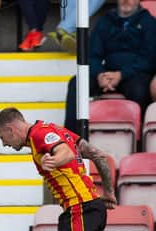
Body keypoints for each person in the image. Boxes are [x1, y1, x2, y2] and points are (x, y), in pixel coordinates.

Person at [63, 0, 156, 134]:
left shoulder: (149, 22)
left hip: (134, 75)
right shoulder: (105, 21)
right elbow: (92, 54)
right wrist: (99, 74)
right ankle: (71, 138)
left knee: (140, 90)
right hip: (106, 74)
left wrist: (122, 74)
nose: (126, 0)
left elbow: (149, 59)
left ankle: (139, 140)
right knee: (77, 84)